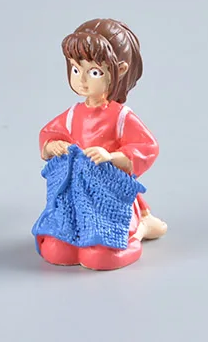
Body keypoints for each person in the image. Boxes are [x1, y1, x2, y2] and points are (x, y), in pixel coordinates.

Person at [36, 18, 167, 270]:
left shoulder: (121, 117)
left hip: (108, 195)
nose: (83, 80)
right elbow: (49, 134)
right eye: (76, 70)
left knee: (100, 257)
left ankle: (139, 226)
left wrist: (111, 156)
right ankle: (76, 234)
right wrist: (53, 146)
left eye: (94, 72)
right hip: (76, 195)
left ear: (120, 70)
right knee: (55, 250)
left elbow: (147, 147)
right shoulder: (73, 114)